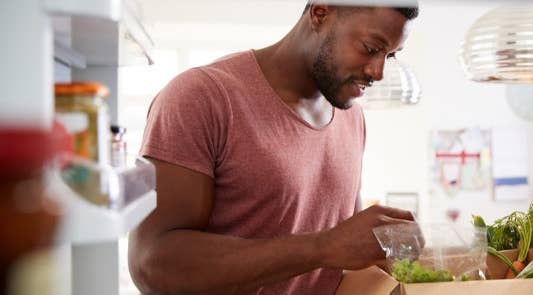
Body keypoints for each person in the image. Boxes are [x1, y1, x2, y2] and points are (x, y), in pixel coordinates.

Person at [129, 1, 419, 294]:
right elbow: (151, 263)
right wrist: (324, 245)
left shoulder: (351, 116)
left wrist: (384, 255)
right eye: (371, 48)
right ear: (320, 14)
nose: (378, 72)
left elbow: (339, 263)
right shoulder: (202, 96)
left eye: (390, 56)